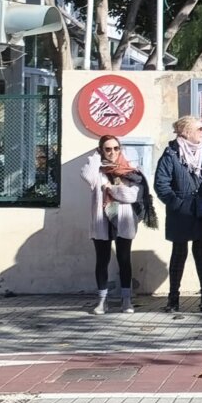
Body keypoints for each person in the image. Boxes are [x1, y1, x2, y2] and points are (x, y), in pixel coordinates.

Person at [154, 116, 202, 314]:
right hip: (181, 212)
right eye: (200, 128)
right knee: (179, 253)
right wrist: (177, 203)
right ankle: (173, 298)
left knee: (201, 254)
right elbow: (161, 184)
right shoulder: (171, 153)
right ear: (186, 132)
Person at [80, 134, 155, 314]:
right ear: (101, 150)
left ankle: (126, 300)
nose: (112, 152)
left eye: (115, 148)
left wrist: (109, 189)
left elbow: (130, 196)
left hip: (123, 220)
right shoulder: (97, 171)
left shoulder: (130, 171)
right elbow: (87, 176)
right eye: (107, 149)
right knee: (102, 260)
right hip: (101, 221)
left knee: (124, 260)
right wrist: (97, 157)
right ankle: (102, 301)